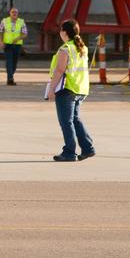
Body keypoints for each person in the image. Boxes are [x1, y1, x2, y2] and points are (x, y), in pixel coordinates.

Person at [46, 18, 97, 162]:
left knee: (66, 122)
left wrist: (51, 89)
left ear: (64, 32)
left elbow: (60, 70)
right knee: (75, 119)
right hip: (80, 88)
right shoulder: (82, 48)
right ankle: (88, 148)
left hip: (67, 88)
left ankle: (69, 152)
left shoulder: (66, 49)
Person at [0, 7, 28, 85]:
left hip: (17, 45)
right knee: (9, 61)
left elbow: (25, 33)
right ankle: (10, 78)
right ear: (10, 13)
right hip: (7, 45)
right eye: (13, 12)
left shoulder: (21, 22)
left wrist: (18, 38)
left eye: (16, 12)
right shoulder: (5, 21)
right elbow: (0, 32)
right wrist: (1, 42)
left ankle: (11, 74)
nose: (14, 13)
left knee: (14, 62)